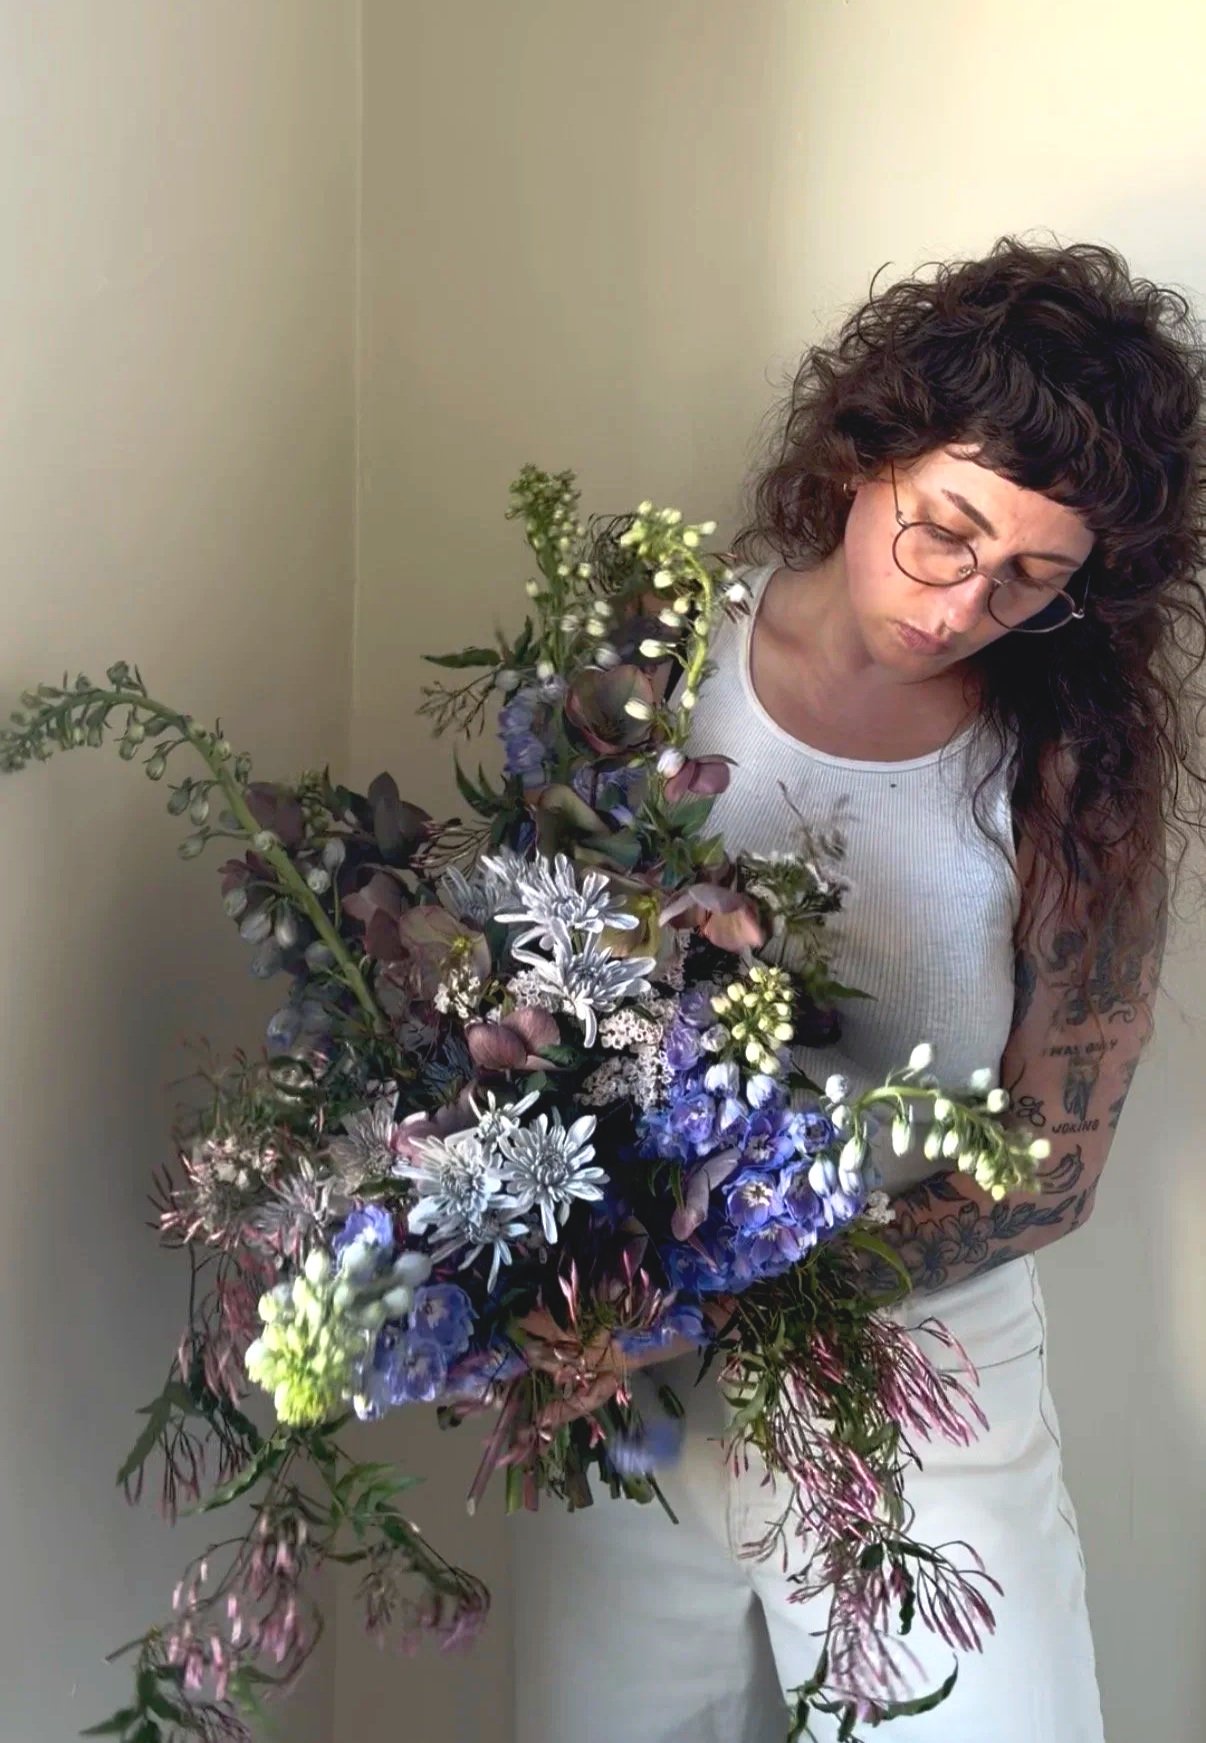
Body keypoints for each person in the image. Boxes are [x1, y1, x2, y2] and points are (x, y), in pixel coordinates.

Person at [511, 236, 1206, 1742]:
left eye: (1034, 578)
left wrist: (759, 1289)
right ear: (866, 451)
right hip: (626, 1375)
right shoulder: (655, 644)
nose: (964, 603)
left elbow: (1052, 1155)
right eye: (947, 530)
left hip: (919, 1362)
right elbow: (517, 973)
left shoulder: (1068, 760)